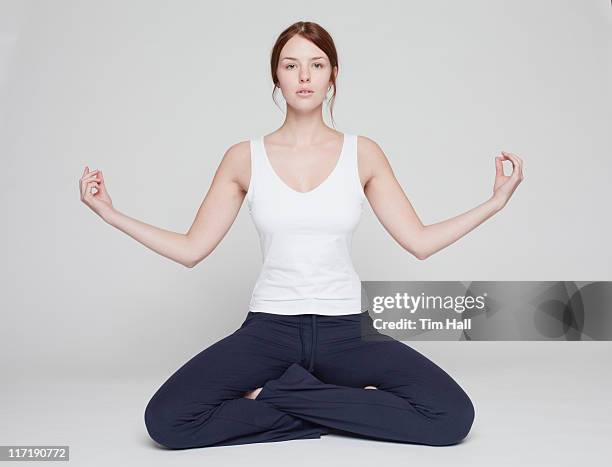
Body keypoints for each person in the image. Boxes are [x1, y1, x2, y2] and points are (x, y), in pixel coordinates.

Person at [78, 21, 524, 450]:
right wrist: (111, 214)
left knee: (451, 416)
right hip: (268, 330)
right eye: (291, 65)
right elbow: (192, 249)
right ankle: (338, 403)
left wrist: (495, 203)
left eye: (317, 64)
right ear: (276, 75)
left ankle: (283, 396)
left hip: (347, 332)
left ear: (333, 75)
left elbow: (420, 241)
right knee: (168, 420)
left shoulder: (362, 153)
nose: (304, 75)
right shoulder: (243, 157)